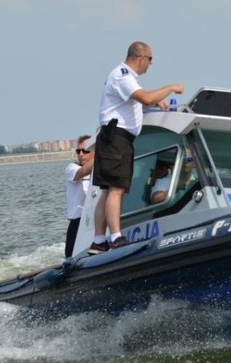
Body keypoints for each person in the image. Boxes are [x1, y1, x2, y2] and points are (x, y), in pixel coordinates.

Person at [90, 41, 184, 254]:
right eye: (150, 60)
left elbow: (137, 101)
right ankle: (115, 237)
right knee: (116, 189)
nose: (150, 65)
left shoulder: (125, 78)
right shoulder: (123, 75)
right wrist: (171, 87)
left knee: (107, 190)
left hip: (114, 137)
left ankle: (98, 240)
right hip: (116, 138)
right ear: (141, 58)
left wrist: (152, 103)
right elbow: (146, 97)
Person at [64, 135, 94, 258]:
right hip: (78, 223)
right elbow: (82, 172)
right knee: (72, 259)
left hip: (95, 221)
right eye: (78, 151)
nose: (81, 154)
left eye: (85, 151)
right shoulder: (71, 168)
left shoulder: (99, 169)